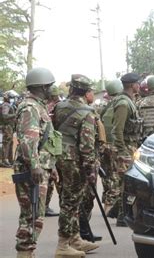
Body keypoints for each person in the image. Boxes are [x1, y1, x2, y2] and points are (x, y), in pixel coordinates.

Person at [13, 67, 59, 258]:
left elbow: (45, 142)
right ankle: (24, 254)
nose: (52, 89)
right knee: (31, 217)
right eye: (49, 86)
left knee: (35, 216)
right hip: (31, 171)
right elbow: (27, 141)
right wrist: (35, 166)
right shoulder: (30, 108)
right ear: (41, 87)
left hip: (39, 167)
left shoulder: (38, 106)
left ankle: (28, 253)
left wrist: (52, 166)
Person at [53, 74, 100, 256]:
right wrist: (90, 169)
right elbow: (87, 144)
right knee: (71, 202)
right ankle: (63, 245)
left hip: (58, 156)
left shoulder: (59, 106)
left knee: (67, 198)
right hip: (74, 160)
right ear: (87, 91)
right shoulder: (87, 111)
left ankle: (75, 239)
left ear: (71, 88)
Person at [112, 72, 142, 227]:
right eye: (138, 82)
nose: (140, 85)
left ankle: (120, 213)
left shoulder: (130, 101)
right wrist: (122, 151)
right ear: (132, 85)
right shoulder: (123, 103)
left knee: (127, 183)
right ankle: (121, 216)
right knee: (125, 183)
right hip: (125, 148)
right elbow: (117, 130)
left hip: (131, 146)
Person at [99, 79, 123, 218]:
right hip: (115, 146)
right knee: (115, 177)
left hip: (105, 146)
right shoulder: (121, 105)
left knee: (107, 177)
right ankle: (111, 206)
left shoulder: (106, 107)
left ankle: (107, 204)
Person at [45, 85, 61, 217]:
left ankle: (45, 205)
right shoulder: (53, 106)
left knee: (51, 176)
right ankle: (45, 205)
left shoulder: (53, 106)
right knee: (53, 176)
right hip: (53, 145)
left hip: (52, 144)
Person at [1, 90, 17, 167]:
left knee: (10, 143)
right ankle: (4, 160)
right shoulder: (6, 105)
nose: (13, 99)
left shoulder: (8, 105)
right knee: (6, 144)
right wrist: (15, 114)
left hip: (9, 127)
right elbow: (4, 116)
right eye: (11, 97)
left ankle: (10, 160)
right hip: (7, 127)